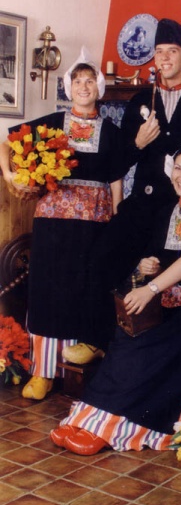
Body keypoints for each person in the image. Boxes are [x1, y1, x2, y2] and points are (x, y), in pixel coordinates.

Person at [63, 18, 181, 365]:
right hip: (143, 202)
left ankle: (149, 348)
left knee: (160, 267)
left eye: (172, 52)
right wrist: (138, 143)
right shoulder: (141, 100)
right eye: (159, 53)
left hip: (180, 207)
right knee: (102, 255)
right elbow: (118, 162)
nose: (165, 59)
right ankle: (95, 340)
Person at [49, 145, 181, 455]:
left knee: (151, 346)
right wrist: (146, 265)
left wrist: (150, 289)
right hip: (166, 297)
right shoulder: (167, 211)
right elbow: (157, 256)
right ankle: (89, 418)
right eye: (178, 168)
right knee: (126, 339)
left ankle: (113, 428)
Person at [0, 48, 128, 400]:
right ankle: (42, 372)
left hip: (95, 222)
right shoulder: (52, 124)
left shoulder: (113, 133)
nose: (83, 86)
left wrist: (117, 215)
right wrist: (11, 177)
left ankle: (73, 372)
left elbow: (116, 179)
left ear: (99, 89)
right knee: (47, 289)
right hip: (53, 221)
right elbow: (7, 142)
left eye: (90, 81)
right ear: (68, 87)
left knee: (84, 289)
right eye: (77, 81)